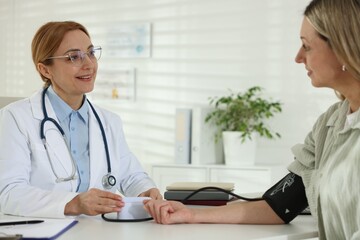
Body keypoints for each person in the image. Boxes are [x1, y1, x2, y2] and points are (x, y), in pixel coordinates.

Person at [144, 0, 360, 239]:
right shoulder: (329, 123)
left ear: (343, 47)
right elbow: (280, 204)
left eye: (306, 46)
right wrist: (192, 215)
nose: (298, 58)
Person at [0, 21, 162, 218]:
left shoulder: (109, 122)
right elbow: (8, 192)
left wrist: (145, 191)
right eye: (73, 57)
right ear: (45, 70)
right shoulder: (16, 118)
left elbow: (130, 175)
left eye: (91, 53)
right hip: (44, 231)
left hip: (98, 232)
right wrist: (74, 203)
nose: (89, 65)